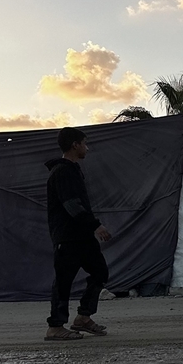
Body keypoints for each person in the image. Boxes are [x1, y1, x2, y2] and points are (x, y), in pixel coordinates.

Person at [44, 126, 112, 341]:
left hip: (81, 237)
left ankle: (83, 317)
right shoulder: (63, 171)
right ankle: (55, 327)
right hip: (68, 237)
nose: (87, 148)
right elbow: (71, 205)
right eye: (84, 143)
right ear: (75, 145)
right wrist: (96, 225)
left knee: (100, 272)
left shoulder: (72, 170)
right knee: (64, 281)